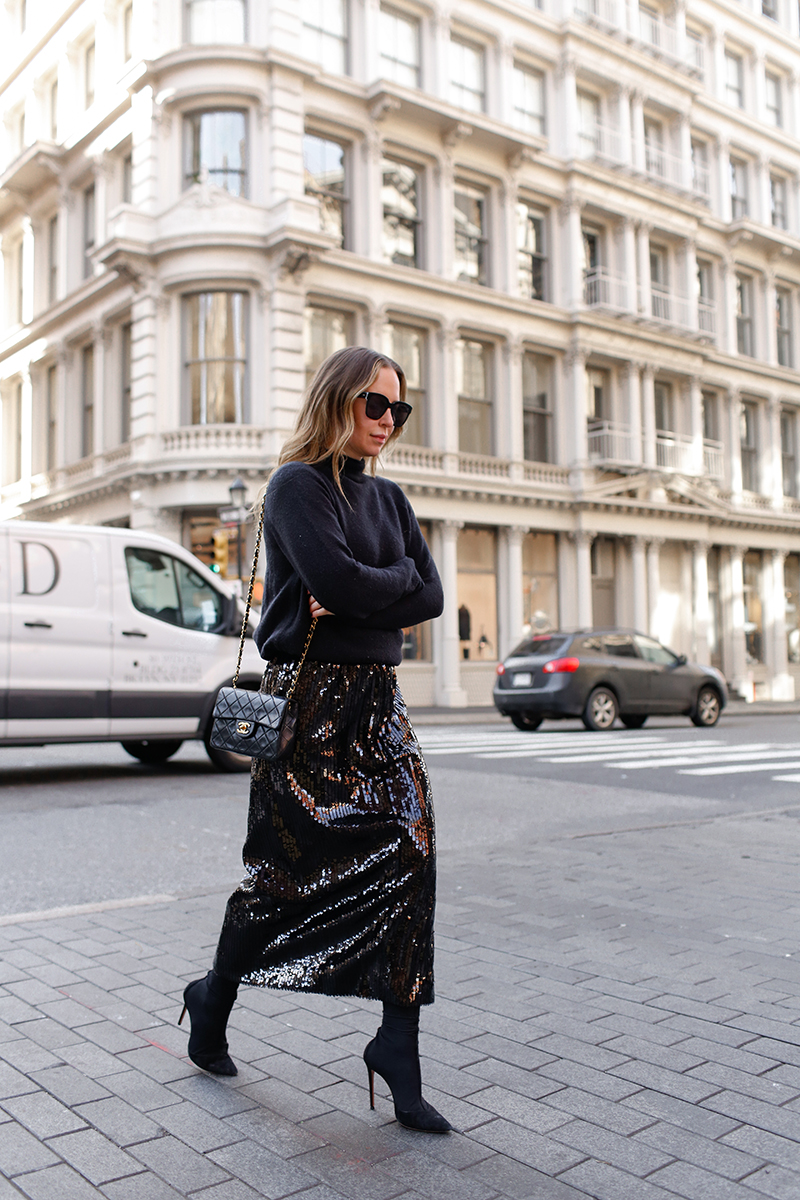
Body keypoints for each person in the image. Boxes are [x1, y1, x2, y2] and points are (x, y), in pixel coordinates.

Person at [179, 345, 450, 1134]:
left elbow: (428, 594)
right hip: (312, 706)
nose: (389, 423)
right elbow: (337, 585)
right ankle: (213, 994)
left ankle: (398, 1044)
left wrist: (377, 592)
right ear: (338, 400)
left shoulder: (390, 498)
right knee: (283, 877)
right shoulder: (296, 485)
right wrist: (377, 591)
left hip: (378, 703)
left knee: (413, 850)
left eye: (400, 410)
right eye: (376, 406)